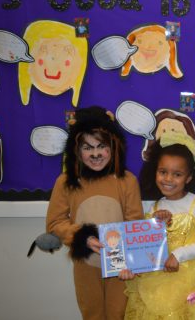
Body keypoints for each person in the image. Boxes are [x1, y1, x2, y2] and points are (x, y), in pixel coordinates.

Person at [46, 106, 144, 320]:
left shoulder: (127, 181)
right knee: (92, 314)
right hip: (86, 265)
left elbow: (135, 223)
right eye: (88, 148)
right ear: (77, 150)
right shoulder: (65, 182)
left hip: (120, 267)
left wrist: (132, 261)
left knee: (120, 313)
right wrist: (81, 236)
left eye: (101, 146)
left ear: (113, 146)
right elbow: (54, 223)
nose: (96, 154)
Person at [120, 139, 195, 319]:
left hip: (193, 280)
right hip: (159, 283)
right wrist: (129, 265)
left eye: (177, 174)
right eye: (163, 172)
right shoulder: (154, 208)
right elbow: (145, 249)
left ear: (188, 177)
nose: (168, 179)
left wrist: (178, 255)